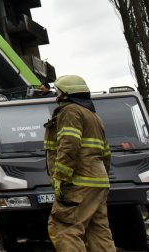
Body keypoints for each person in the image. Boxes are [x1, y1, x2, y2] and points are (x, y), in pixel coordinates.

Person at [45, 75, 115, 251]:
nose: (56, 97)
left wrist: (60, 178)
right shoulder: (94, 116)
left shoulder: (70, 111)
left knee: (64, 229)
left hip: (78, 182)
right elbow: (106, 153)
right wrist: (101, 178)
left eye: (58, 92)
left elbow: (69, 145)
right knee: (98, 231)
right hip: (98, 182)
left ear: (65, 94)